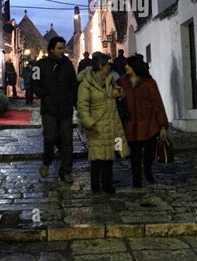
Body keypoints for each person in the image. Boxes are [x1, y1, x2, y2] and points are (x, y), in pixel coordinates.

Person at [77, 51, 130, 194]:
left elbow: (114, 92)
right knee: (97, 158)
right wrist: (89, 122)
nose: (110, 67)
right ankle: (96, 185)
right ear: (100, 66)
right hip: (97, 124)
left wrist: (118, 92)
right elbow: (82, 106)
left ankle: (107, 184)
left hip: (111, 121)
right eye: (107, 65)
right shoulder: (86, 84)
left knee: (109, 156)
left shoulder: (109, 79)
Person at [118, 55, 168, 188]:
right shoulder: (121, 82)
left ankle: (147, 169)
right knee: (134, 155)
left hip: (149, 124)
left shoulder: (149, 83)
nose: (125, 67)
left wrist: (162, 125)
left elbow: (157, 103)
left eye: (128, 65)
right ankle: (137, 180)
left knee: (149, 152)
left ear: (135, 67)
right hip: (131, 125)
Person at [33, 37, 78, 183]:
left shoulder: (68, 65)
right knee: (50, 137)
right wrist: (44, 94)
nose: (62, 51)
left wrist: (73, 101)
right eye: (59, 48)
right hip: (49, 108)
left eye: (63, 48)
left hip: (65, 109)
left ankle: (65, 171)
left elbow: (73, 84)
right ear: (51, 49)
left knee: (67, 141)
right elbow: (34, 84)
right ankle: (47, 161)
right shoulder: (40, 65)